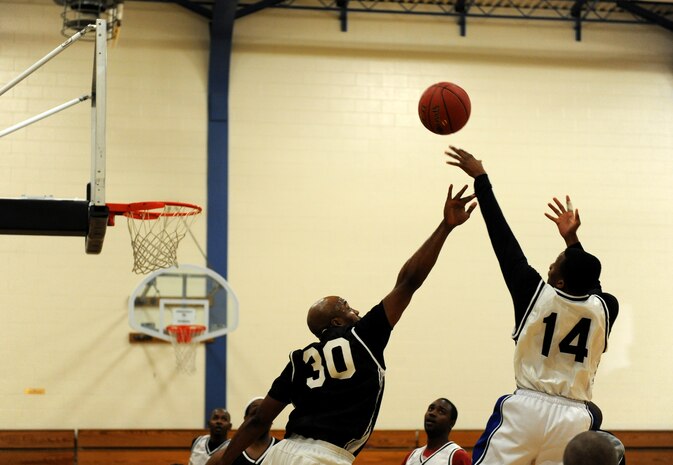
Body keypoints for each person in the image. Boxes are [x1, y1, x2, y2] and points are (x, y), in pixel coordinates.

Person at [207, 183, 477, 465]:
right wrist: (445, 227)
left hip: (281, 453)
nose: (356, 309)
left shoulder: (300, 360)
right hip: (325, 458)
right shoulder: (364, 336)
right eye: (346, 306)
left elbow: (260, 419)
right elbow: (408, 282)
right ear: (336, 321)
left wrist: (225, 461)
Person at [445, 146, 619, 465]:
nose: (549, 267)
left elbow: (503, 241)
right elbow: (592, 282)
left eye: (555, 264)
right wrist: (573, 243)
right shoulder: (605, 309)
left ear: (561, 281)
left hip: (528, 408)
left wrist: (481, 179)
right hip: (575, 417)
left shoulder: (535, 296)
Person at [401, 398, 471, 465]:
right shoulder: (411, 457)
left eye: (441, 412)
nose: (432, 413)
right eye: (431, 409)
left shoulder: (457, 456)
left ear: (451, 423)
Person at [231, 397, 279, 465]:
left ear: (272, 419)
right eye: (255, 412)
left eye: (265, 413)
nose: (260, 418)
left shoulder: (282, 449)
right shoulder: (231, 452)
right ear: (245, 419)